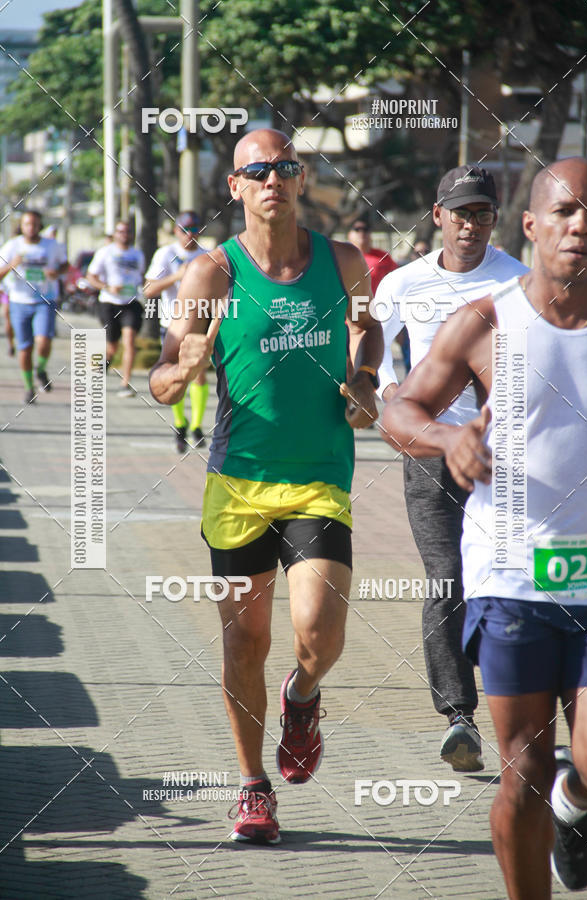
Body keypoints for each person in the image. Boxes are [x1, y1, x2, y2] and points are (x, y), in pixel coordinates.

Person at [150, 128, 382, 845]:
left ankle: (303, 696)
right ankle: (253, 787)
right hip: (240, 484)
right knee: (244, 642)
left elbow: (368, 328)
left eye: (284, 168)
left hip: (318, 478)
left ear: (301, 176)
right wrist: (180, 374)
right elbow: (163, 376)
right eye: (258, 171)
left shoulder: (344, 262)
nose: (272, 180)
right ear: (237, 186)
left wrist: (366, 376)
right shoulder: (211, 276)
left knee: (319, 631)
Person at [382, 156, 587, 899]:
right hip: (512, 574)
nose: (581, 226)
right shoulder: (486, 321)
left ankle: (580, 802)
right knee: (525, 768)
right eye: (566, 212)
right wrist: (450, 440)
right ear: (532, 226)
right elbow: (398, 409)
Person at [376, 165, 528, 772]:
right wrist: (391, 394)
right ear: (437, 216)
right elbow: (374, 342)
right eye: (459, 213)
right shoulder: (404, 282)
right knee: (446, 577)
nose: (470, 225)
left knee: (513, 579)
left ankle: (527, 711)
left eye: (482, 214)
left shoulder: (519, 280)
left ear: (496, 219)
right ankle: (458, 715)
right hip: (432, 450)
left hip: (504, 457)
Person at [144, 211, 208, 452]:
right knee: (177, 375)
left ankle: (198, 426)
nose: (189, 234)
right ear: (175, 231)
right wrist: (177, 276)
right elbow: (149, 290)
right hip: (172, 325)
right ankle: (180, 424)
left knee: (199, 374)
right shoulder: (166, 255)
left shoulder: (206, 256)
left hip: (200, 323)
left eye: (194, 229)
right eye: (184, 229)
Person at [0, 210, 68, 403]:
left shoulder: (51, 245)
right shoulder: (12, 246)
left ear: (40, 225)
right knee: (25, 348)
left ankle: (41, 369)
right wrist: (11, 265)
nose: (31, 228)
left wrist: (56, 272)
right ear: (21, 226)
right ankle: (29, 388)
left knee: (43, 341)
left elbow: (65, 265)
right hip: (19, 301)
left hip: (44, 300)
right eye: (27, 224)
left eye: (34, 224)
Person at [86, 220, 145, 398]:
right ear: (115, 234)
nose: (124, 235)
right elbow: (91, 276)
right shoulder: (105, 252)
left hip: (131, 303)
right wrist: (107, 287)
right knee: (112, 346)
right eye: (121, 231)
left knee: (129, 342)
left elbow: (141, 277)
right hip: (109, 303)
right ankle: (105, 363)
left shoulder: (137, 255)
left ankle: (125, 383)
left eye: (127, 231)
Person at [347, 214, 397, 294]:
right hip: (352, 304)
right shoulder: (342, 257)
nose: (361, 232)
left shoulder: (383, 256)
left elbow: (396, 280)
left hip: (377, 303)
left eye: (365, 229)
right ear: (349, 235)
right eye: (357, 229)